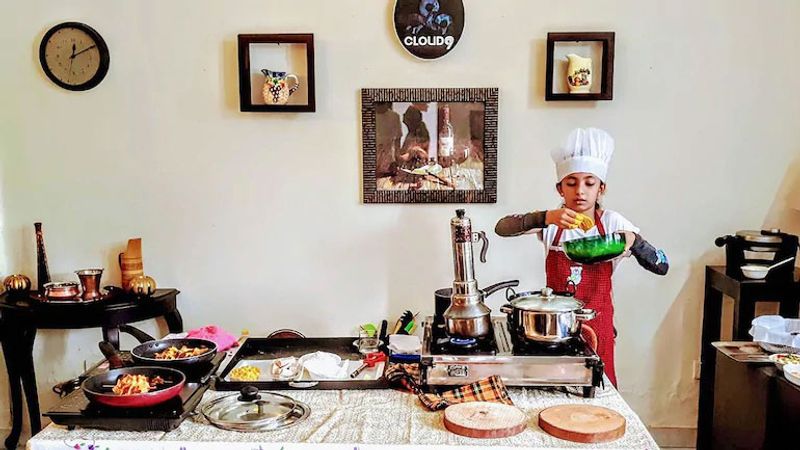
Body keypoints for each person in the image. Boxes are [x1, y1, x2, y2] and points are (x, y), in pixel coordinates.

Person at [494, 127, 668, 387]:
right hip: (553, 327)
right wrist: (545, 217)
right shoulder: (553, 223)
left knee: (599, 389)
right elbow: (501, 228)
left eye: (590, 182)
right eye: (571, 183)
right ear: (560, 188)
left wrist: (634, 241)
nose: (580, 191)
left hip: (598, 323)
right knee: (554, 387)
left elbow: (661, 265)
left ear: (601, 188)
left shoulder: (612, 222)